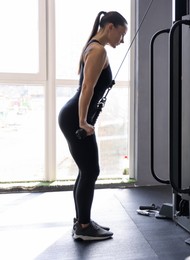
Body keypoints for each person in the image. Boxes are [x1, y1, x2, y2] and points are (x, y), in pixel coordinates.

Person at [58, 11, 128, 241]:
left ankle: (82, 221)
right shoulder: (98, 50)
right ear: (110, 26)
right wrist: (82, 122)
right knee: (91, 170)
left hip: (73, 115)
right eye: (121, 33)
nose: (122, 39)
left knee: (86, 170)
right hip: (74, 118)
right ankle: (84, 227)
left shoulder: (93, 46)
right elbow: (87, 88)